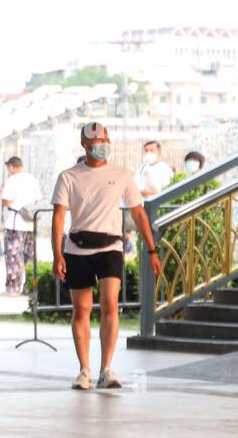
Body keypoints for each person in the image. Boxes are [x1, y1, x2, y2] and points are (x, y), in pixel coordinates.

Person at [52, 122, 162, 391]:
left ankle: (106, 369)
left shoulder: (122, 174)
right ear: (85, 145)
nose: (104, 144)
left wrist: (152, 250)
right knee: (82, 310)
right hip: (77, 249)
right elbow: (58, 216)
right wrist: (57, 254)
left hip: (111, 247)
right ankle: (84, 370)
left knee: (111, 304)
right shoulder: (69, 176)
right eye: (98, 140)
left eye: (106, 138)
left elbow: (137, 213)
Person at [0, 155, 41, 297]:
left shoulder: (12, 180)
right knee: (30, 256)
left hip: (15, 222)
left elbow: (5, 201)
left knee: (13, 256)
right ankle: (30, 288)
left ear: (11, 167)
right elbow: (37, 201)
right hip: (30, 222)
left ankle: (13, 288)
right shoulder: (32, 179)